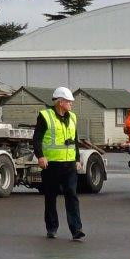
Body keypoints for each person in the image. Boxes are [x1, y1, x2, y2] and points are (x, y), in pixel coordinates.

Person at [34, 87, 84, 240]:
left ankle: (76, 230)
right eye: (69, 102)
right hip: (52, 164)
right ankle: (52, 227)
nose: (71, 104)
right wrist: (40, 156)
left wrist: (77, 159)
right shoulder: (45, 116)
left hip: (69, 164)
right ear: (60, 102)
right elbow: (37, 139)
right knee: (50, 196)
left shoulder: (73, 117)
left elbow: (74, 140)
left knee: (72, 195)